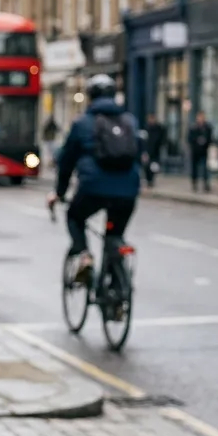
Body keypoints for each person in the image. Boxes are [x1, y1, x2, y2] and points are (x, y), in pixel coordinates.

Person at [46, 74, 142, 288]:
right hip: (128, 192)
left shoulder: (82, 123)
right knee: (114, 234)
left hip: (93, 189)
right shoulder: (130, 121)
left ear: (90, 97)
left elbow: (66, 162)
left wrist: (59, 193)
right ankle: (117, 289)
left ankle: (84, 256)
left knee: (74, 216)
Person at [187, 111, 213, 192]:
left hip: (204, 151)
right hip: (195, 151)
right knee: (194, 168)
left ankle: (206, 184)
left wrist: (205, 142)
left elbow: (210, 138)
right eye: (199, 117)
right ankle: (194, 183)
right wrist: (196, 142)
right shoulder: (193, 127)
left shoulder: (207, 127)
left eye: (202, 117)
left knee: (205, 168)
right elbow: (189, 139)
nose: (201, 119)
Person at [140, 112, 167, 188]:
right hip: (147, 150)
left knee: (154, 166)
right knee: (147, 166)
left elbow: (163, 138)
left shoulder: (159, 128)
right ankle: (149, 180)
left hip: (156, 151)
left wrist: (161, 145)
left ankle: (151, 180)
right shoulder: (146, 128)